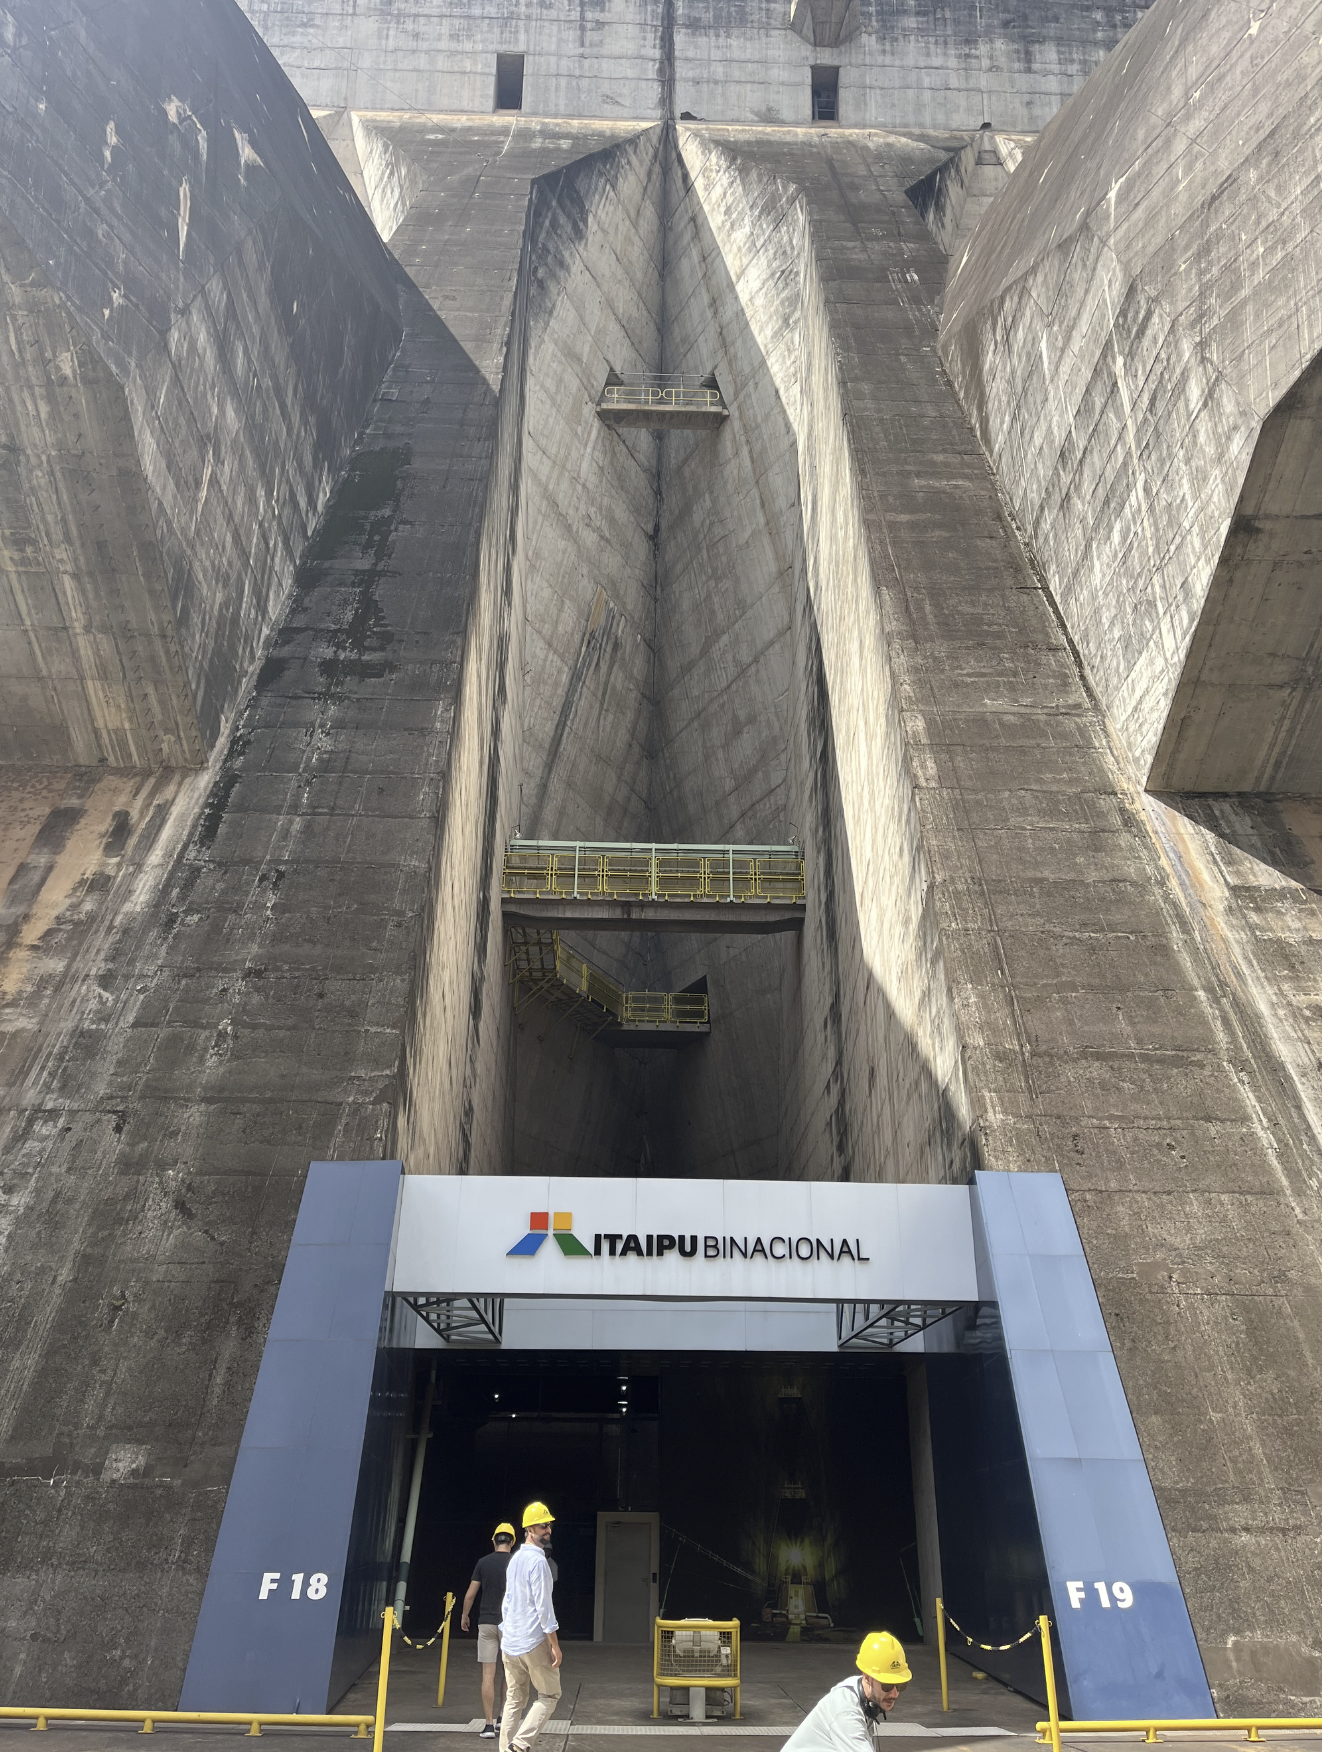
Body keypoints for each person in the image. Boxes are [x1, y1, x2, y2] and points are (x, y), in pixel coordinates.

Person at [498, 1501, 563, 1752]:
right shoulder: (539, 1562)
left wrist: (505, 1632)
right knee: (549, 1695)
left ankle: (506, 1749)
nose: (548, 1530)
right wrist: (554, 1645)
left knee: (514, 1699)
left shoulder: (515, 1560)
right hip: (533, 1641)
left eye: (549, 1525)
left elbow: (508, 1601)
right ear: (529, 1529)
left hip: (510, 1642)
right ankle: (520, 1744)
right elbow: (544, 1608)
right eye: (542, 1526)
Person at [780, 1632, 912, 1752]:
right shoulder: (846, 1713)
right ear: (867, 1678)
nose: (895, 1694)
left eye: (900, 1685)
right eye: (887, 1686)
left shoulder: (857, 1690)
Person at [462, 1522, 517, 1738]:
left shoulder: (483, 1562)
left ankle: (487, 1725)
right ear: (512, 1542)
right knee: (509, 1672)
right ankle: (503, 1718)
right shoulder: (516, 1563)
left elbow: (470, 1594)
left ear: (494, 1541)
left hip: (486, 1623)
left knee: (488, 1674)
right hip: (510, 1624)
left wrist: (465, 1615)